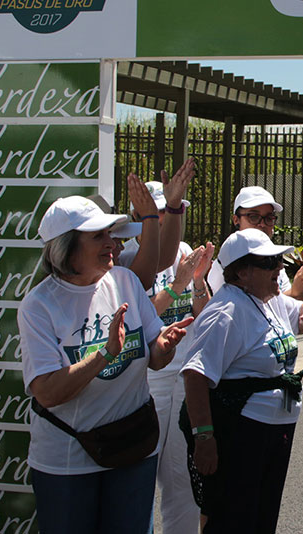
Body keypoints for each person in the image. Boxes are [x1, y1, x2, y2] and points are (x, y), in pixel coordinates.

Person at [17, 196, 194, 534]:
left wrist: (165, 346)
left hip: (133, 450)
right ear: (65, 248)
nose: (112, 243)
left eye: (111, 234)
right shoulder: (38, 306)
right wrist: (105, 355)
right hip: (68, 461)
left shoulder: (125, 281)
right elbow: (48, 393)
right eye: (98, 236)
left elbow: (155, 359)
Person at [180, 229, 303, 534]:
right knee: (234, 519)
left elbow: (298, 314)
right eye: (270, 262)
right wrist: (203, 438)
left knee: (262, 516)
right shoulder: (225, 312)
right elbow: (195, 376)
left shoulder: (268, 298)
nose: (280, 268)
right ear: (242, 272)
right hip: (243, 433)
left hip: (274, 429)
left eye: (278, 260)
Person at [116, 180, 212, 534]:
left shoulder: (184, 251)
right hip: (147, 380)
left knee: (183, 480)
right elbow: (133, 322)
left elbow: (200, 312)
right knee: (140, 477)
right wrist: (174, 287)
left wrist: (197, 282)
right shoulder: (126, 258)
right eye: (152, 215)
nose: (161, 222)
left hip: (183, 377)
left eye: (169, 212)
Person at [206, 186, 303, 300]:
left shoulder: (273, 257)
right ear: (236, 220)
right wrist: (295, 293)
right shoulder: (229, 259)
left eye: (269, 218)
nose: (262, 224)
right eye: (253, 217)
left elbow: (284, 307)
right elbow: (251, 308)